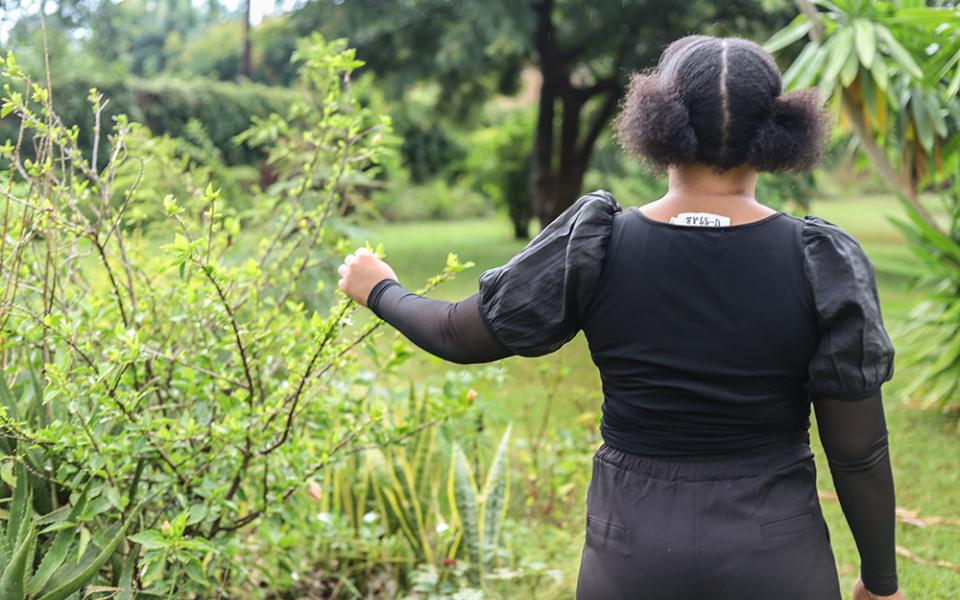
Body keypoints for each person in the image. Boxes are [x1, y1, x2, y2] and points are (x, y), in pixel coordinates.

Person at [336, 35, 903, 600]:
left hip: (631, 553)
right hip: (775, 555)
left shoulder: (598, 244)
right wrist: (879, 584)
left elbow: (460, 334)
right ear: (778, 127)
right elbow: (858, 452)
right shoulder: (819, 260)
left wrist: (379, 288)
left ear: (658, 118)